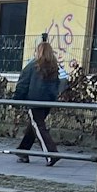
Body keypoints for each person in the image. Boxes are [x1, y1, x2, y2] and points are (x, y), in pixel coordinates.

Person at [13, 37, 61, 166]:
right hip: (48, 103)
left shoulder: (32, 66)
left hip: (34, 101)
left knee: (38, 127)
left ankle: (51, 154)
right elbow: (58, 84)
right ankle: (22, 151)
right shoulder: (54, 68)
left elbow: (22, 84)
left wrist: (16, 99)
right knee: (34, 126)